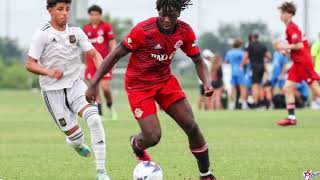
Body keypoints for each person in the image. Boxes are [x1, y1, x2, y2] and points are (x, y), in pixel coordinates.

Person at [86, 0, 217, 179]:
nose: (166, 19)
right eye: (162, 14)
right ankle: (137, 143)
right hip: (139, 85)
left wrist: (207, 83)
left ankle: (206, 174)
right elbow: (115, 54)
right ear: (158, 11)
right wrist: (93, 83)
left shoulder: (184, 32)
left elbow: (198, 60)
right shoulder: (143, 30)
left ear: (178, 13)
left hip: (165, 81)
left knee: (192, 126)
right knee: (153, 137)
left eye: (171, 15)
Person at [25, 0, 109, 179]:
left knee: (94, 119)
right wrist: (48, 72)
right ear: (50, 11)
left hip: (75, 86)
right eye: (60, 9)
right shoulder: (42, 35)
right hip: (52, 91)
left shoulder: (76, 32)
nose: (65, 13)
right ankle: (76, 144)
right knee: (76, 138)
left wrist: (96, 81)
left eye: (67, 9)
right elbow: (30, 64)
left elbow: (94, 54)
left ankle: (101, 172)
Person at [277, 1, 320, 126]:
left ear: (290, 14)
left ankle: (291, 117)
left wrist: (285, 46)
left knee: (316, 90)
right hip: (297, 63)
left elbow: (300, 45)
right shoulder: (289, 28)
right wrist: (286, 50)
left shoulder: (292, 28)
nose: (281, 15)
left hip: (303, 62)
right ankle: (291, 118)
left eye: (283, 13)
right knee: (287, 88)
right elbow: (296, 46)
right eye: (281, 13)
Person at [83, 5, 118, 120]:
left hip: (104, 62)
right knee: (95, 88)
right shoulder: (85, 29)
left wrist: (114, 59)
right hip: (90, 63)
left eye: (96, 14)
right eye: (92, 14)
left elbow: (113, 43)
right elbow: (84, 48)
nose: (94, 16)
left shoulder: (106, 27)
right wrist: (85, 63)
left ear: (100, 15)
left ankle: (110, 105)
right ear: (89, 16)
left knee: (106, 87)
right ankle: (100, 113)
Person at [242, 34, 272, 108]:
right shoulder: (262, 45)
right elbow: (269, 56)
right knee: (260, 85)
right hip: (261, 66)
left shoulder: (250, 45)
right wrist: (264, 60)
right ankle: (262, 102)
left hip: (254, 66)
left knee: (255, 86)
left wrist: (241, 65)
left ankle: (256, 103)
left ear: (252, 38)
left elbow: (245, 56)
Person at [225, 38, 247, 109]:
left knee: (232, 89)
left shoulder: (229, 52)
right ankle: (243, 104)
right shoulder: (241, 53)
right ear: (240, 45)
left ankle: (231, 105)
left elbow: (227, 61)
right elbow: (245, 61)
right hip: (240, 71)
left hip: (233, 71)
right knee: (242, 88)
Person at [310, 32, 320, 109]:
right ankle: (313, 103)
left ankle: (317, 101)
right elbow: (312, 58)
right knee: (315, 86)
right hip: (317, 69)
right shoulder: (316, 44)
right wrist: (312, 70)